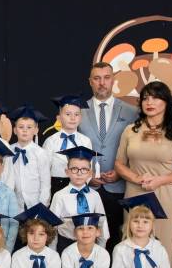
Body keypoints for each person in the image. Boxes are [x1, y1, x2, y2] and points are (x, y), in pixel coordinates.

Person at [114, 81, 172, 268]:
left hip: (164, 196)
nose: (149, 102)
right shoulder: (130, 130)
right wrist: (137, 178)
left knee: (161, 249)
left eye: (156, 97)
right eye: (145, 98)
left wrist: (160, 180)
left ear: (166, 102)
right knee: (132, 246)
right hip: (135, 195)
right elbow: (119, 164)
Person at [78, 61, 138, 253]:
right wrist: (86, 176)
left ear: (113, 80)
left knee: (117, 240)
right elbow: (72, 149)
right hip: (87, 187)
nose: (102, 83)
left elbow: (135, 149)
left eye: (106, 78)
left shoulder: (132, 111)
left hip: (118, 186)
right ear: (90, 82)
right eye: (97, 78)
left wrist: (121, 173)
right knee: (86, 240)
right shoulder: (78, 111)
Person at [50, 146, 109, 254]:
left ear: (90, 173)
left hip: (90, 245)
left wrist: (101, 248)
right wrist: (53, 253)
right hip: (66, 244)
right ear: (67, 171)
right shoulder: (59, 196)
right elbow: (53, 226)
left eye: (84, 169)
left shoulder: (95, 195)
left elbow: (102, 222)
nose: (79, 173)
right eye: (74, 169)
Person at [43, 95, 93, 194]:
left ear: (81, 118)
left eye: (76, 114)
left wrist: (82, 186)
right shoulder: (51, 141)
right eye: (68, 114)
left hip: (79, 186)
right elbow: (44, 171)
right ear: (59, 118)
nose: (73, 118)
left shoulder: (85, 141)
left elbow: (89, 167)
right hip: (56, 186)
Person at [8, 104, 51, 215]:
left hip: (35, 204)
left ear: (36, 130)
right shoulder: (9, 151)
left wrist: (42, 207)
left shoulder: (40, 153)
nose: (25, 131)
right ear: (15, 130)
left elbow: (45, 183)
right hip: (15, 205)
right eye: (21, 127)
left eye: (29, 127)